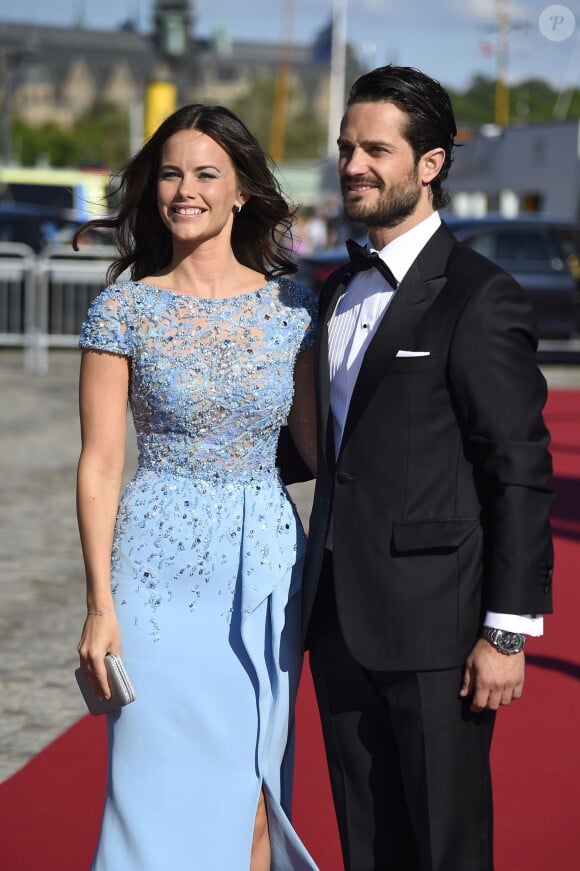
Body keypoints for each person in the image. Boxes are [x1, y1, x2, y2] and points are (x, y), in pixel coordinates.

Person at [302, 65, 554, 871]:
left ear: (431, 163)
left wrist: (506, 632)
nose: (353, 165)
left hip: (439, 632)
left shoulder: (482, 297)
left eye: (376, 148)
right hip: (338, 620)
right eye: (346, 148)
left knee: (446, 847)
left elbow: (517, 469)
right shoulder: (335, 289)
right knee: (367, 844)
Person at [74, 102, 319, 871]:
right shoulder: (124, 307)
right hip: (151, 571)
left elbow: (323, 449)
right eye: (172, 173)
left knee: (254, 796)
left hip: (267, 567)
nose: (186, 189)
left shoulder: (295, 308)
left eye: (207, 173)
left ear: (242, 189)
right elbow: (102, 463)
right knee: (149, 791)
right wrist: (99, 605)